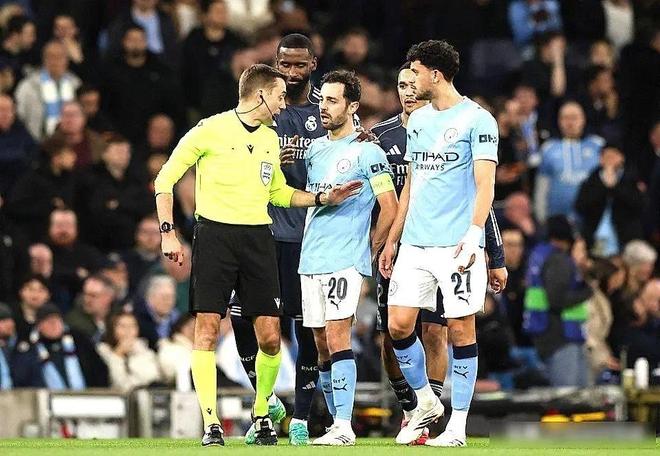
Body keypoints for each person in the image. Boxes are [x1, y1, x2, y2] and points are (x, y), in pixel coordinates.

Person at [154, 63, 361, 446]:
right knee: (207, 330)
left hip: (258, 239)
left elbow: (278, 192)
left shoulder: (269, 139)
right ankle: (211, 424)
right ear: (261, 94)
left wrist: (321, 198)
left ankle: (262, 413)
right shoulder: (209, 129)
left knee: (270, 337)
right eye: (280, 97)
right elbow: (165, 179)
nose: (284, 105)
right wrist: (168, 232)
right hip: (214, 236)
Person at [371, 63, 506, 445]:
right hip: (415, 243)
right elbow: (411, 185)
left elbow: (486, 186)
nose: (410, 85)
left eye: (415, 75)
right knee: (398, 326)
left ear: (435, 74)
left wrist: (479, 240)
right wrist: (393, 239)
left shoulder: (478, 119)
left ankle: (457, 426)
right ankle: (427, 402)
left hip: (457, 245)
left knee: (459, 330)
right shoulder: (418, 122)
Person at [233, 33, 353, 446]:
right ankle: (265, 402)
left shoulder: (325, 109)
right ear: (276, 62)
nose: (292, 72)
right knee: (242, 320)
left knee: (306, 330)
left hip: (307, 237)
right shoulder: (265, 106)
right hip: (261, 232)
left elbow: (347, 151)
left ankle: (300, 416)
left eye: (300, 65)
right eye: (285, 64)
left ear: (313, 65)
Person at [293, 70, 397, 446]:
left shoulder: (368, 152)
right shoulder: (315, 150)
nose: (324, 106)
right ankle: (335, 422)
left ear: (352, 106)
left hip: (345, 258)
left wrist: (371, 248)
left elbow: (390, 206)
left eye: (333, 100)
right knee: (321, 342)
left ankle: (343, 426)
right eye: (322, 99)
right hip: (311, 258)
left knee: (338, 335)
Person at [523, 216, 593, 387]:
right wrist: (588, 291)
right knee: (569, 395)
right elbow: (556, 299)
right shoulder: (559, 260)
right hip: (561, 336)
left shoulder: (539, 255)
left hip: (546, 331)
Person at [533, 101, 602, 223]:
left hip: (593, 222)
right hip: (557, 222)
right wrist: (541, 218)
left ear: (583, 119)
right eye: (565, 118)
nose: (570, 123)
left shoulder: (598, 146)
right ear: (559, 121)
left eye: (574, 118)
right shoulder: (548, 148)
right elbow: (541, 187)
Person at [12, 302, 109, 388]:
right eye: (48, 322)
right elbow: (21, 377)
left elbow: (99, 370)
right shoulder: (29, 348)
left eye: (57, 320)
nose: (54, 325)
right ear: (39, 326)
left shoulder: (80, 341)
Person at [575, 143, 644, 257]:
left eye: (613, 156)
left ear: (622, 158)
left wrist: (615, 186)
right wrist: (604, 186)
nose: (610, 160)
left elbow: (639, 204)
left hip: (624, 235)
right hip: (595, 234)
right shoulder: (591, 179)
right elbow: (580, 206)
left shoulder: (631, 178)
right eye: (606, 156)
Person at [14, 40, 81, 141]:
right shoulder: (28, 87)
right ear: (44, 59)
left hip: (69, 143)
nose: (55, 61)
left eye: (60, 57)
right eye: (51, 57)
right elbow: (19, 117)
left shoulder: (75, 84)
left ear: (67, 60)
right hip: (37, 142)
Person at [97, 311, 161, 392]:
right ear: (112, 329)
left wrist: (136, 356)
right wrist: (118, 354)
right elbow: (118, 384)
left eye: (133, 326)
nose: (128, 330)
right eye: (123, 326)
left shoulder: (143, 348)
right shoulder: (103, 351)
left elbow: (152, 377)